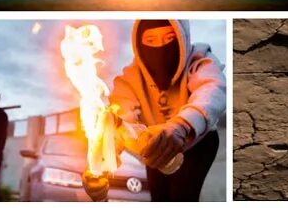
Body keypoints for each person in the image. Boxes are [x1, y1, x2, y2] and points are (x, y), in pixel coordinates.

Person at [82, 20, 226, 201]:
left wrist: (182, 126)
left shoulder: (200, 60)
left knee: (182, 197)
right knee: (159, 198)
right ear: (139, 45)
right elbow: (120, 119)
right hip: (155, 145)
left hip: (198, 143)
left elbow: (212, 89)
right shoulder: (131, 77)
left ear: (182, 39)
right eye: (150, 40)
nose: (160, 48)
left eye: (169, 38)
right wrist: (100, 162)